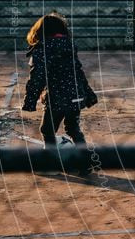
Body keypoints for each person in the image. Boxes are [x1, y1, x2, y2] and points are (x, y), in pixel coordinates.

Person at [22, 13, 97, 147]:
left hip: (56, 98)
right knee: (73, 128)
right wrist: (88, 94)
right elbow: (78, 72)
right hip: (75, 96)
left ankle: (51, 161)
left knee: (47, 129)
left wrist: (30, 101)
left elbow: (37, 77)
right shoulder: (69, 46)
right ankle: (85, 159)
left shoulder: (42, 49)